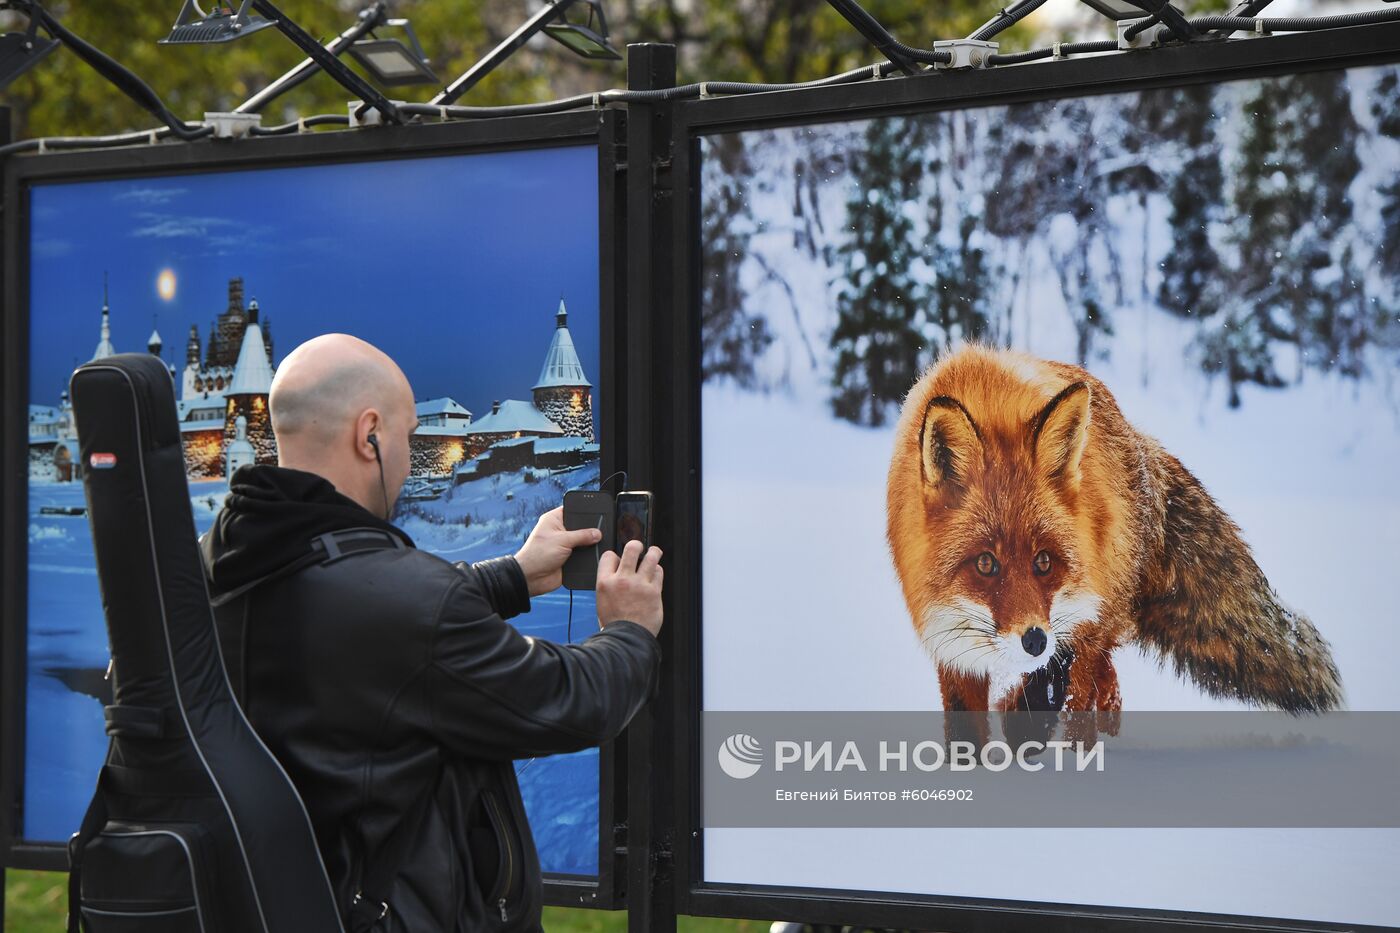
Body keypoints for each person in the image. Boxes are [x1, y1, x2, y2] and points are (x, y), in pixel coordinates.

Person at [199, 333, 664, 933]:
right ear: (369, 434)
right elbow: (569, 700)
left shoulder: (223, 568)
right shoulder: (403, 603)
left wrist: (513, 576)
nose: (415, 450)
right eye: (410, 432)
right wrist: (630, 629)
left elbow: (366, 615)